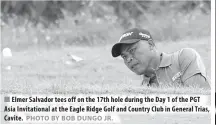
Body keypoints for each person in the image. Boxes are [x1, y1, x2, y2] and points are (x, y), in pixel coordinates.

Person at [111, 28, 210, 88]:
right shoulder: (143, 90)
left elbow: (201, 101)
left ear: (150, 44)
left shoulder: (183, 58)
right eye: (124, 56)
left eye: (132, 50)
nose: (128, 59)